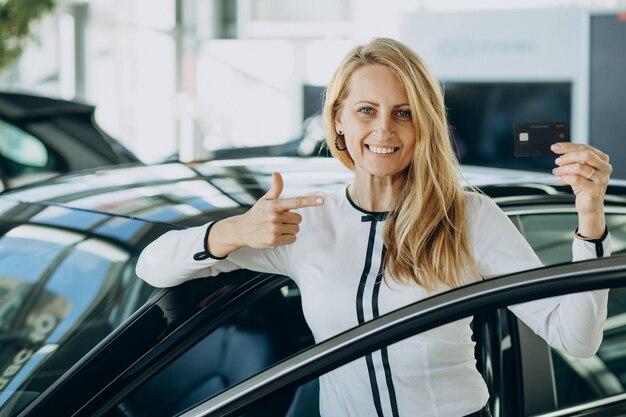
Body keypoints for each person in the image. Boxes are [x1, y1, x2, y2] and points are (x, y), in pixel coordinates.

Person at [136, 38, 613, 417]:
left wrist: (590, 217)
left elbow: (577, 338)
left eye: (403, 113)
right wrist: (235, 231)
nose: (384, 130)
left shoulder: (468, 216)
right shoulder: (304, 221)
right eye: (367, 110)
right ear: (339, 120)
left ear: (422, 124)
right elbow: (153, 266)